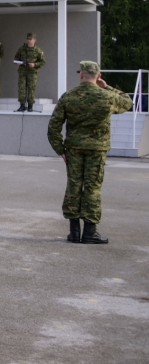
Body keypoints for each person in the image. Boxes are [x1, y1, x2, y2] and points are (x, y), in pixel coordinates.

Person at [48, 62, 133, 244]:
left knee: (74, 185)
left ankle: (74, 231)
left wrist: (60, 149)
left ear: (81, 75)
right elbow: (128, 102)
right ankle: (90, 231)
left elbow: (53, 126)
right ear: (98, 75)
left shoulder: (69, 96)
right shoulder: (106, 97)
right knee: (92, 187)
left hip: (74, 149)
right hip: (97, 149)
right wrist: (107, 86)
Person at [15, 33, 45, 111]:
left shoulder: (38, 50)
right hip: (23, 71)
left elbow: (42, 62)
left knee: (31, 89)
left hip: (32, 73)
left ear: (35, 40)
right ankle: (22, 105)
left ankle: (30, 106)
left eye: (30, 39)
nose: (29, 41)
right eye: (28, 39)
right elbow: (16, 57)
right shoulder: (22, 49)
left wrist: (35, 64)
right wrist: (18, 62)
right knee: (22, 88)